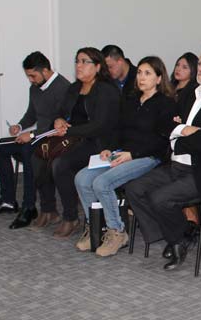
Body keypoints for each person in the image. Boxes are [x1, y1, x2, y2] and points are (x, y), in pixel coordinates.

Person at [124, 47, 201, 271]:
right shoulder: (190, 93)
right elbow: (162, 124)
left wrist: (177, 137)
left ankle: (178, 237)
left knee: (160, 199)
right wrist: (185, 129)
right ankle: (178, 236)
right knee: (134, 189)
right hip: (178, 165)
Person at [73, 56, 175, 256]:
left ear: (159, 78)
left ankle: (117, 231)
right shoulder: (130, 100)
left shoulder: (166, 104)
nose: (141, 77)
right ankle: (95, 227)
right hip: (123, 153)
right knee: (82, 178)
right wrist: (109, 148)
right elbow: (118, 130)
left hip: (148, 157)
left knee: (102, 183)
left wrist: (132, 154)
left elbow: (162, 141)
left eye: (148, 73)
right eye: (139, 73)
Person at [30, 47, 120, 238]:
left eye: (84, 62)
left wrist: (68, 131)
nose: (79, 66)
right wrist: (59, 120)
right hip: (73, 138)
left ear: (97, 67)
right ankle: (48, 209)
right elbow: (60, 111)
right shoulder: (74, 87)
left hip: (98, 142)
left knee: (61, 164)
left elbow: (100, 125)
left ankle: (70, 217)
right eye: (77, 61)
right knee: (39, 155)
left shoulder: (106, 89)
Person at [0, 52, 70, 231]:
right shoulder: (35, 88)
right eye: (28, 76)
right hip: (37, 135)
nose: (31, 79)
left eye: (33, 75)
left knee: (27, 151)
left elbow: (60, 125)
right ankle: (8, 200)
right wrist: (19, 126)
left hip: (53, 139)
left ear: (45, 70)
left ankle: (29, 207)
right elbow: (31, 114)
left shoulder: (63, 87)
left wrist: (31, 135)